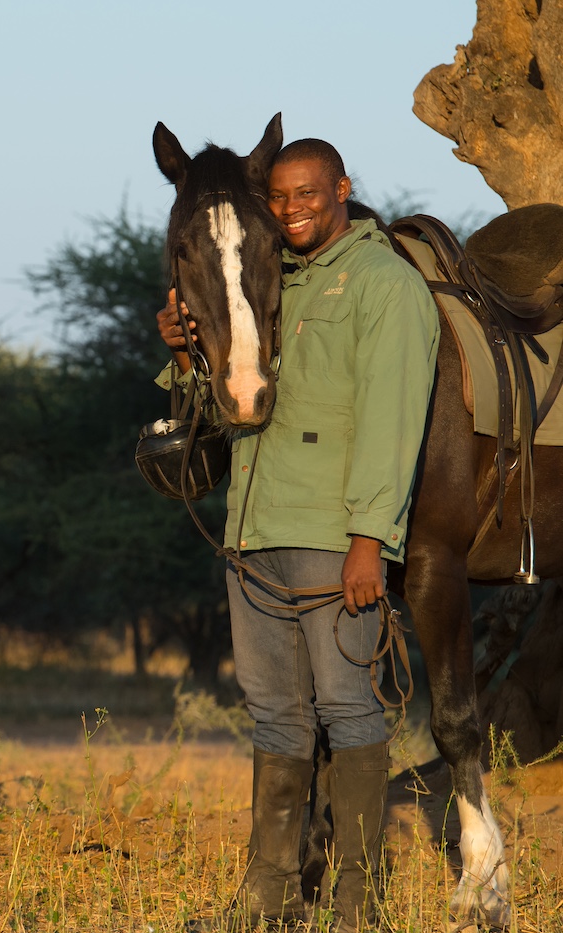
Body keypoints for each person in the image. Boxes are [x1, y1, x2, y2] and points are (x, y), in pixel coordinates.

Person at [157, 141, 438, 931]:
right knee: (276, 714)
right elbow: (229, 402)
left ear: (342, 189)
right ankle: (269, 898)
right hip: (252, 530)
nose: (292, 210)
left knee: (349, 707)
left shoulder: (384, 283)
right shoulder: (273, 277)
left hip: (332, 533)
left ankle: (359, 905)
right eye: (278, 200)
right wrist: (182, 353)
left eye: (308, 193)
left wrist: (369, 541)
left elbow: (393, 422)